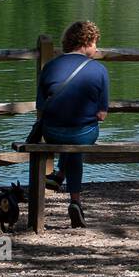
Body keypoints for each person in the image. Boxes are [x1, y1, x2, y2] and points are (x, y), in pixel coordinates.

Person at [38, 20, 110, 228]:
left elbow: (41, 108)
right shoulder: (99, 70)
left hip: (52, 132)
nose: (97, 48)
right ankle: (75, 201)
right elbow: (102, 115)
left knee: (71, 139)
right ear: (86, 42)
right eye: (96, 42)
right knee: (77, 141)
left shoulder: (50, 66)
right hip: (83, 134)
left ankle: (60, 175)